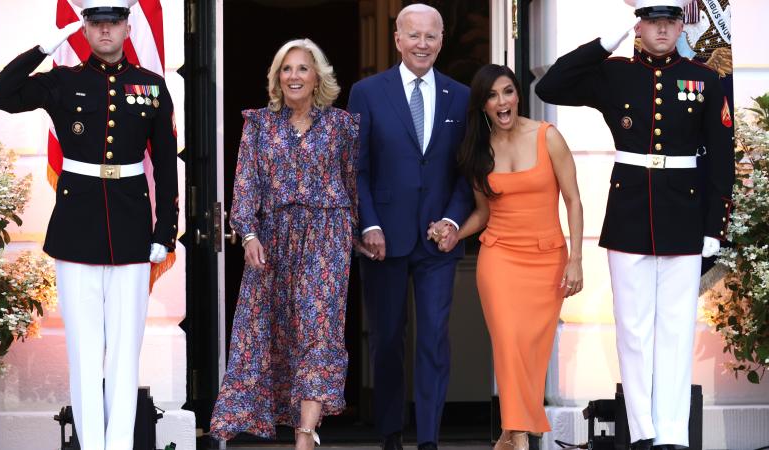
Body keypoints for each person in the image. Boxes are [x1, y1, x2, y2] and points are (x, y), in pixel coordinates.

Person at [535, 1, 734, 449]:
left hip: (684, 216)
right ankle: (643, 431)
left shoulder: (705, 78)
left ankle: (673, 435)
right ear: (639, 25)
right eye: (652, 22)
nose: (662, 30)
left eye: (670, 21)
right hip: (628, 213)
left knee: (676, 330)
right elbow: (551, 85)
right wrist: (608, 40)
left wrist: (712, 228)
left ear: (682, 25)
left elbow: (721, 157)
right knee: (633, 329)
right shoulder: (615, 72)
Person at [0, 1, 178, 449]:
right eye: (96, 23)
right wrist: (43, 47)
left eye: (113, 22)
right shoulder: (60, 81)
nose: (105, 30)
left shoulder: (150, 86)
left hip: (132, 233)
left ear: (128, 27)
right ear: (85, 29)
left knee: (125, 356)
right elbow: (0, 94)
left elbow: (166, 167)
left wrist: (163, 233)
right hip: (76, 230)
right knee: (85, 355)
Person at [208, 38, 359, 450]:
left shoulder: (342, 125)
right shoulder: (257, 124)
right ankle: (287, 423)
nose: (294, 76)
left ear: (317, 78)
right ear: (278, 77)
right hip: (273, 239)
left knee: (320, 330)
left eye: (302, 69)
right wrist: (249, 234)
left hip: (326, 236)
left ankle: (305, 434)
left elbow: (352, 183)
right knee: (269, 333)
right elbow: (245, 188)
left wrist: (356, 233)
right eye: (286, 69)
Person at [347, 4, 473, 449]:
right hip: (384, 239)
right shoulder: (367, 92)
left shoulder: (461, 95)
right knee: (386, 340)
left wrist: (455, 220)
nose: (422, 44)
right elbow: (356, 168)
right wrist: (370, 225)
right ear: (397, 39)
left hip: (438, 242)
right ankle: (390, 433)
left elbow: (467, 172)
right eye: (413, 35)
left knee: (434, 339)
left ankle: (429, 438)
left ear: (442, 40)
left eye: (431, 36)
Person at [451, 64, 583, 450]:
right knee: (508, 342)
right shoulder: (477, 149)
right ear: (483, 106)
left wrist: (576, 259)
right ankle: (521, 436)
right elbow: (483, 213)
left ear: (517, 95)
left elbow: (573, 200)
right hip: (499, 257)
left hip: (547, 260)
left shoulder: (548, 137)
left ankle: (508, 435)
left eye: (507, 92)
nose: (501, 101)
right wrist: (456, 232)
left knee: (531, 349)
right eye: (492, 96)